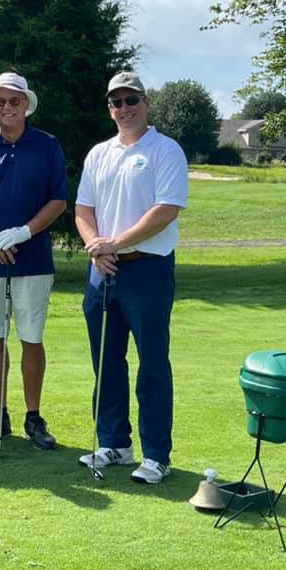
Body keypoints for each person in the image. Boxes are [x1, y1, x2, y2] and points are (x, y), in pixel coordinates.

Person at [74, 71, 188, 484]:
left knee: (152, 362)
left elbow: (166, 210)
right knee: (106, 361)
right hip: (102, 269)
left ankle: (156, 454)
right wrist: (96, 246)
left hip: (147, 268)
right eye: (117, 102)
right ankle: (114, 443)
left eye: (131, 100)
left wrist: (115, 243)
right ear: (110, 109)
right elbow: (83, 209)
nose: (124, 109)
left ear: (146, 103)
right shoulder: (99, 153)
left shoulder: (165, 150)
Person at [0, 72, 68, 450]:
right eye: (1, 101)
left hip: (33, 257)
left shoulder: (47, 145)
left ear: (27, 105)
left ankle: (33, 417)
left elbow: (58, 200)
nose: (8, 107)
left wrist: (24, 231)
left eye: (15, 101)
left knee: (31, 337)